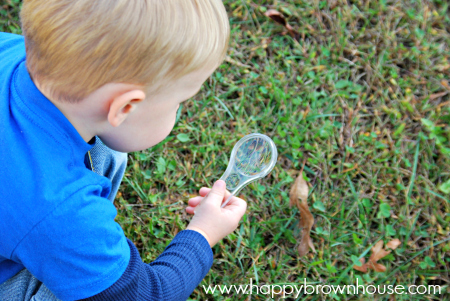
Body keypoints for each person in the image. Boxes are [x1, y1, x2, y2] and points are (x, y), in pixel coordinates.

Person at [0, 0, 247, 300]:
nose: (179, 109)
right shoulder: (58, 208)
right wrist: (203, 233)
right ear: (125, 106)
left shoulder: (10, 48)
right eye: (178, 102)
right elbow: (144, 294)